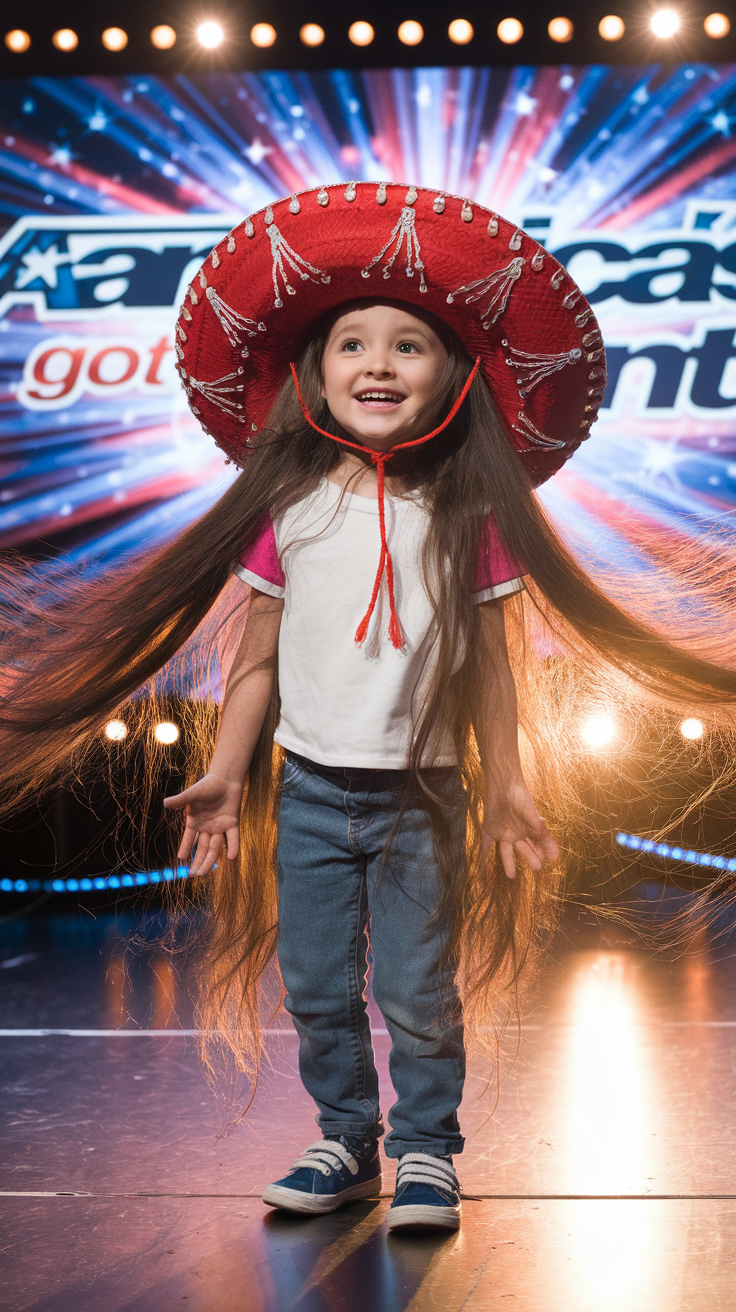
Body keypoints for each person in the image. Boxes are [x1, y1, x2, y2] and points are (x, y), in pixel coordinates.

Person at [2, 184, 736, 1232]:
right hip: (310, 792)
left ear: (455, 375)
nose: (378, 364)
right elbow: (256, 659)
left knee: (418, 990)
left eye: (408, 345)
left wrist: (509, 786)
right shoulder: (288, 508)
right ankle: (345, 1141)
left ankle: (426, 1152)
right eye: (352, 344)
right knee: (314, 984)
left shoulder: (471, 513)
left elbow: (491, 672)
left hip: (424, 800)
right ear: (315, 373)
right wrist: (225, 773)